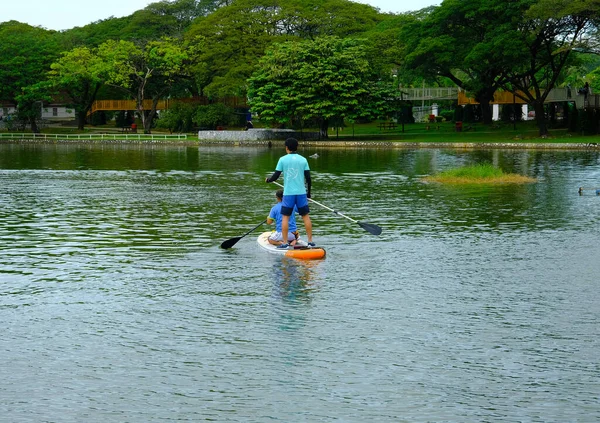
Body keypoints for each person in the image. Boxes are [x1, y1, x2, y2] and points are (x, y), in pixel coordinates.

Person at [265, 137, 314, 249]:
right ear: (297, 147)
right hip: (301, 193)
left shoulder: (282, 159)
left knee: (285, 217)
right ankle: (310, 241)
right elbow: (308, 178)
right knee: (305, 217)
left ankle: (285, 242)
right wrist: (308, 193)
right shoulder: (303, 160)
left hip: (288, 194)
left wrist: (268, 180)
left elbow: (276, 176)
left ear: (286, 148)